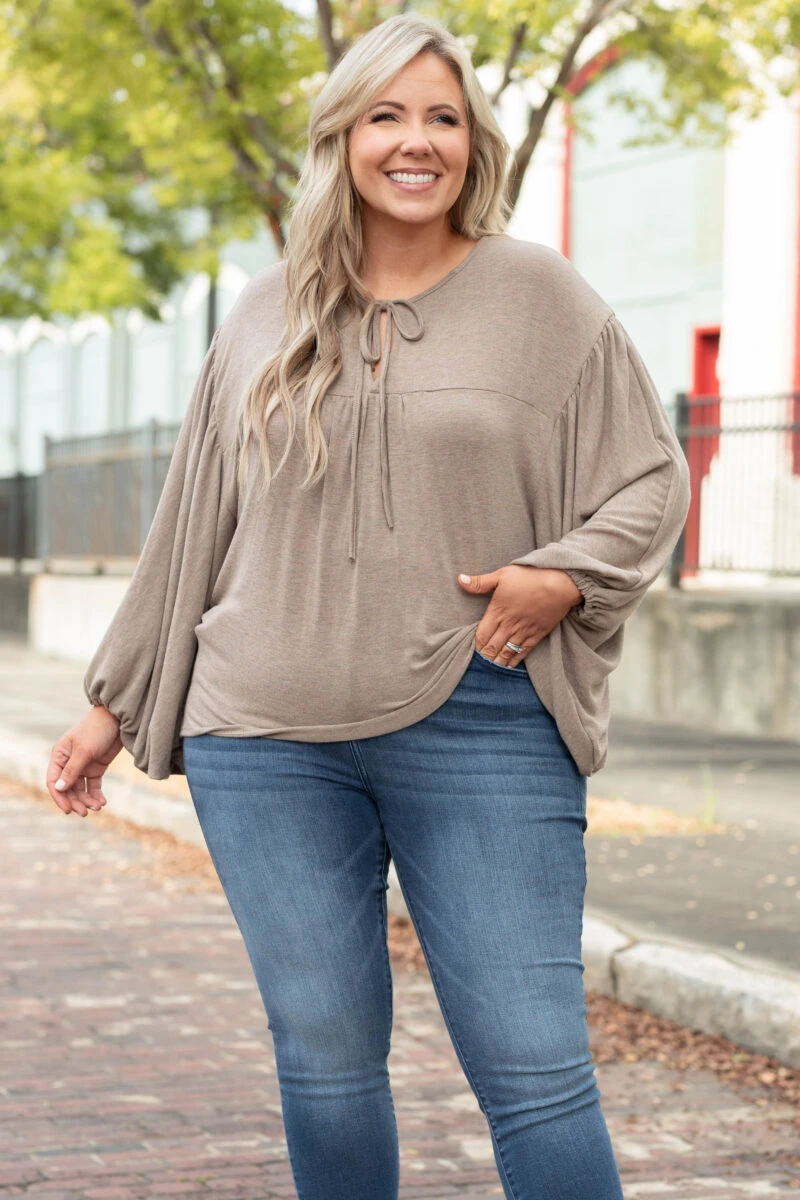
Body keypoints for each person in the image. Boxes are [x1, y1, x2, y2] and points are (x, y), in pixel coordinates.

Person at [47, 12, 691, 1199]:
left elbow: (651, 478)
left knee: (535, 1071)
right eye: (385, 115)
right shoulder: (263, 311)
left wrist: (564, 574)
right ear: (341, 137)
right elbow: (193, 524)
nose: (414, 141)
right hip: (263, 740)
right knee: (326, 1065)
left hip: (484, 722)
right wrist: (113, 703)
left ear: (471, 142)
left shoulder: (540, 297)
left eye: (441, 117)